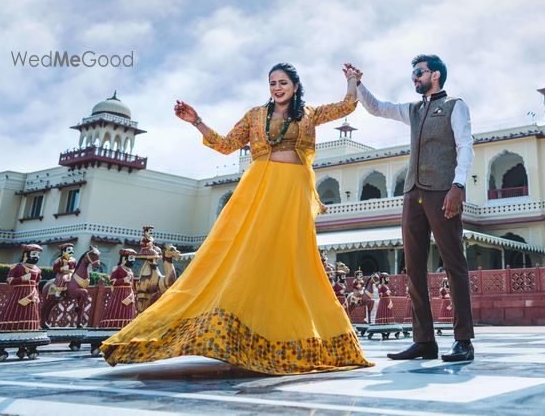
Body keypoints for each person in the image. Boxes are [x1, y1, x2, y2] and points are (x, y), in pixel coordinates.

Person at [102, 63, 372, 374]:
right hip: (260, 187)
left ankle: (293, 334)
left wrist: (352, 81)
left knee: (292, 260)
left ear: (295, 86)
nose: (277, 88)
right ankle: (218, 330)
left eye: (283, 82)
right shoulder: (255, 115)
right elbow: (226, 145)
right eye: (272, 83)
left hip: (294, 191)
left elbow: (346, 106)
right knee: (244, 253)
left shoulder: (309, 113)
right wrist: (197, 122)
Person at [346, 56, 475, 362]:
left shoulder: (456, 106)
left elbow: (465, 145)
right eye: (413, 74)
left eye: (419, 73)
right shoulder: (414, 110)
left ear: (436, 74)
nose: (415, 78)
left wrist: (457, 186)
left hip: (443, 192)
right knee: (413, 267)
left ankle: (463, 340)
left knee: (453, 264)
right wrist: (358, 84)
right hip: (413, 194)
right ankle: (424, 341)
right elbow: (379, 108)